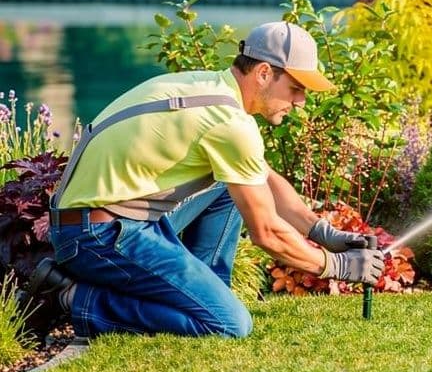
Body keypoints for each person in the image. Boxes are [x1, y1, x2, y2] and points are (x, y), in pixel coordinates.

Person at [16, 21, 384, 343]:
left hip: (105, 219)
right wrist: (338, 267)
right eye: (296, 88)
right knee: (229, 324)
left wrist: (326, 234)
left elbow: (266, 181)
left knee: (230, 186)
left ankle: (204, 294)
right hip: (96, 236)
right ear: (263, 73)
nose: (301, 101)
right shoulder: (229, 123)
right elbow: (267, 232)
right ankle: (68, 297)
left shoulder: (212, 90)